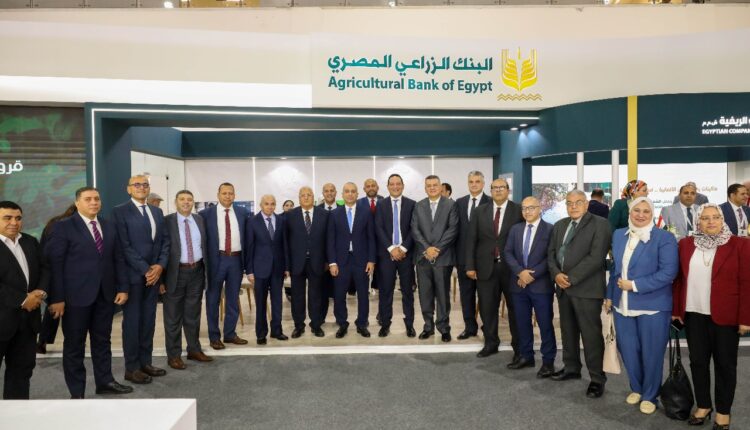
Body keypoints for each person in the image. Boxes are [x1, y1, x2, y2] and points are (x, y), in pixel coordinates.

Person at [46, 189, 132, 398]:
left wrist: (123, 287)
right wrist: (57, 298)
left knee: (102, 341)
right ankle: (77, 393)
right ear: (77, 203)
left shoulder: (109, 226)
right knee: (74, 345)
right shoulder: (63, 227)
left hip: (105, 295)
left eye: (97, 199)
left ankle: (105, 382)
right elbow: (55, 265)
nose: (94, 202)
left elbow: (118, 259)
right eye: (88, 199)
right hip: (75, 298)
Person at [672, 203, 750, 429]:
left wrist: (745, 318)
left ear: (722, 219)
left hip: (726, 316)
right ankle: (704, 405)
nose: (711, 221)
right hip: (694, 314)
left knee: (725, 365)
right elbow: (679, 280)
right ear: (698, 221)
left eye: (716, 217)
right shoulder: (686, 244)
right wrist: (677, 310)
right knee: (698, 362)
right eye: (705, 218)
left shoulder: (740, 245)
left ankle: (723, 412)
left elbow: (747, 283)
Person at [606, 197, 678, 414]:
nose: (641, 215)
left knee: (652, 353)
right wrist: (609, 295)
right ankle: (636, 388)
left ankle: (650, 395)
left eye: (646, 211)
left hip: (653, 306)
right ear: (629, 212)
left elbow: (668, 272)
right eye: (636, 210)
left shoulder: (664, 238)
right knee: (628, 350)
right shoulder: (619, 235)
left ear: (652, 214)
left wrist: (635, 285)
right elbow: (615, 269)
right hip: (622, 305)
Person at [547, 189, 611, 398]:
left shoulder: (600, 224)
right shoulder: (560, 225)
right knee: (568, 332)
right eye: (569, 203)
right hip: (563, 288)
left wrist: (570, 278)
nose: (573, 206)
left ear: (586, 204)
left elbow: (596, 257)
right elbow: (551, 254)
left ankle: (597, 379)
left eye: (578, 202)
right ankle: (571, 367)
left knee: (591, 336)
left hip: (587, 289)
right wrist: (556, 275)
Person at [112, 175, 170, 384]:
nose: (141, 188)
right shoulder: (120, 211)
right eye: (137, 185)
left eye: (145, 185)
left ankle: (146, 362)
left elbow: (165, 242)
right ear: (129, 189)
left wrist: (160, 266)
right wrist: (147, 270)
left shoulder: (157, 211)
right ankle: (132, 368)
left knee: (148, 323)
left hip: (153, 278)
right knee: (132, 324)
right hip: (134, 277)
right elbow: (124, 246)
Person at [465, 178, 523, 361]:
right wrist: (470, 265)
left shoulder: (518, 210)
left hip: (512, 269)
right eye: (495, 188)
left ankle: (519, 347)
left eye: (502, 187)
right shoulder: (479, 211)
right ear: (490, 190)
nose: (498, 190)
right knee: (487, 308)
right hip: (485, 268)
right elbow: (471, 239)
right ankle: (491, 343)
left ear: (508, 190)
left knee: (515, 309)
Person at [0, 201, 49, 399]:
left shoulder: (30, 241)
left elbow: (45, 269)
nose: (14, 222)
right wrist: (23, 299)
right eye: (7, 218)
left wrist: (40, 293)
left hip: (28, 323)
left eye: (18, 218)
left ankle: (17, 414)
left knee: (21, 372)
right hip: (2, 319)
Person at [503, 196, 556, 377]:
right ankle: (526, 356)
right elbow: (507, 252)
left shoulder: (550, 229)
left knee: (545, 324)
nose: (527, 211)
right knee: (522, 323)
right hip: (518, 285)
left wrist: (531, 275)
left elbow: (551, 257)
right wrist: (520, 272)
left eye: (531, 207)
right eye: (524, 208)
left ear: (540, 208)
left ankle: (548, 362)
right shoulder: (516, 229)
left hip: (541, 286)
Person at [162, 190, 212, 370]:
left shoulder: (199, 220)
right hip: (175, 274)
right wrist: (160, 280)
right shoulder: (166, 221)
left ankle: (194, 349)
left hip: (196, 272)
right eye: (182, 199)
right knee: (173, 318)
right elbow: (161, 250)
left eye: (189, 199)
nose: (186, 202)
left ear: (193, 202)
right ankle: (174, 355)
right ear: (175, 202)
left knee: (193, 315)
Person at [199, 182, 249, 350]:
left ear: (234, 195)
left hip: (236, 260)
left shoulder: (243, 213)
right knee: (213, 299)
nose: (228, 196)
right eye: (224, 193)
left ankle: (230, 334)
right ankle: (214, 336)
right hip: (216, 261)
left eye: (231, 193)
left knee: (233, 299)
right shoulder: (205, 214)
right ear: (218, 195)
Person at [411, 175, 458, 342]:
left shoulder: (450, 205)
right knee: (425, 295)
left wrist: (437, 249)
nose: (432, 188)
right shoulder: (419, 205)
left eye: (435, 185)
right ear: (425, 188)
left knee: (443, 296)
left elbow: (452, 229)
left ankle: (444, 328)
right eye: (428, 185)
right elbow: (415, 229)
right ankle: (428, 327)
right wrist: (427, 248)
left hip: (442, 257)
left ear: (440, 187)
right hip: (423, 258)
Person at [327, 182, 376, 338]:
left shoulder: (366, 212)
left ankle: (362, 324)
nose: (350, 194)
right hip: (340, 262)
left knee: (363, 295)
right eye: (347, 191)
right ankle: (342, 323)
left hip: (361, 261)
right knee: (339, 295)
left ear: (357, 194)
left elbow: (371, 238)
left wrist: (371, 260)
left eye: (353, 191)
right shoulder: (334, 214)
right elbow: (330, 240)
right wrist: (332, 262)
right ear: (342, 194)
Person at [374, 174, 417, 338]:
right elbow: (378, 228)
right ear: (387, 187)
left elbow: (414, 228)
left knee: (408, 292)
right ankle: (385, 324)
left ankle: (409, 325)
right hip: (386, 255)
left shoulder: (412, 204)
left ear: (403, 186)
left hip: (406, 255)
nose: (395, 187)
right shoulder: (380, 205)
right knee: (386, 292)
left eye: (398, 184)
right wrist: (392, 249)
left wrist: (403, 248)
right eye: (392, 184)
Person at [246, 195, 288, 345]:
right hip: (259, 269)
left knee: (277, 302)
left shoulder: (281, 220)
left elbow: (285, 245)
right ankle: (261, 333)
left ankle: (277, 331)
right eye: (267, 204)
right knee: (261, 304)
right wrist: (249, 271)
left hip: (278, 269)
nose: (270, 207)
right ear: (261, 205)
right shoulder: (252, 221)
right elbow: (249, 247)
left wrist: (287, 267)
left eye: (272, 204)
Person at [454, 171, 491, 340]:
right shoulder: (460, 202)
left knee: (486, 296)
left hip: (485, 260)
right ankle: (470, 327)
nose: (474, 184)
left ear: (483, 184)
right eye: (471, 181)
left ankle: (487, 327)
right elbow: (456, 231)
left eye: (477, 181)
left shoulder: (490, 202)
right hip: (463, 258)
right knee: (466, 295)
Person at [288, 186, 328, 338]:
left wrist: (328, 261)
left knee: (316, 295)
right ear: (299, 198)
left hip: (317, 262)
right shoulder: (290, 215)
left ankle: (316, 325)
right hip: (296, 263)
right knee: (297, 296)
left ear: (313, 197)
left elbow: (328, 239)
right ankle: (299, 326)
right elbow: (286, 241)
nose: (306, 197)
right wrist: (287, 265)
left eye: (309, 195)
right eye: (303, 195)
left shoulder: (324, 214)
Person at [36, 203, 77, 354]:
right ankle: (72, 341)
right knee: (62, 309)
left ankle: (43, 341)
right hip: (64, 274)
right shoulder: (67, 226)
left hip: (50, 273)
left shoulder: (53, 223)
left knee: (53, 308)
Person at [317, 183, 339, 325]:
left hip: (340, 258)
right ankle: (319, 319)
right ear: (323, 193)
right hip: (321, 260)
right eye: (326, 191)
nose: (329, 193)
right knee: (322, 293)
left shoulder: (343, 209)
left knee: (339, 292)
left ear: (336, 192)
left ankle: (340, 320)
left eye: (332, 191)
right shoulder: (316, 210)